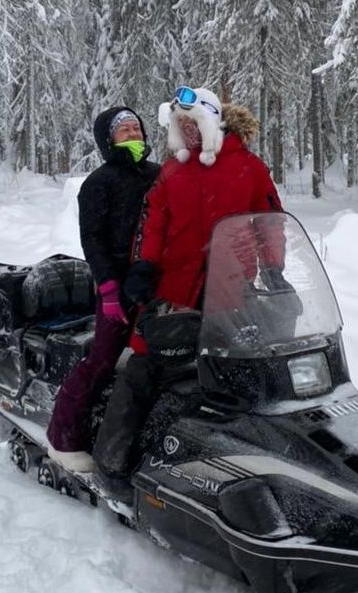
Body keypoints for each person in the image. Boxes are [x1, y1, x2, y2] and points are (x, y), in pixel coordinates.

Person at [92, 87, 284, 497]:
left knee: (242, 369)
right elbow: (153, 223)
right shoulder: (172, 172)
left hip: (231, 288)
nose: (188, 132)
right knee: (145, 367)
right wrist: (143, 265)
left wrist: (274, 268)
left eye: (193, 123)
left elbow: (269, 220)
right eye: (181, 126)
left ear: (211, 122)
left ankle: (246, 459)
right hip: (173, 290)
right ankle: (112, 463)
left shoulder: (249, 168)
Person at [46, 106, 160, 472]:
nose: (133, 133)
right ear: (108, 139)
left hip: (155, 282)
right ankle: (63, 437)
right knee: (103, 358)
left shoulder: (158, 174)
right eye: (124, 130)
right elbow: (92, 239)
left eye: (136, 128)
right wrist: (109, 288)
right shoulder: (99, 182)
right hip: (116, 284)